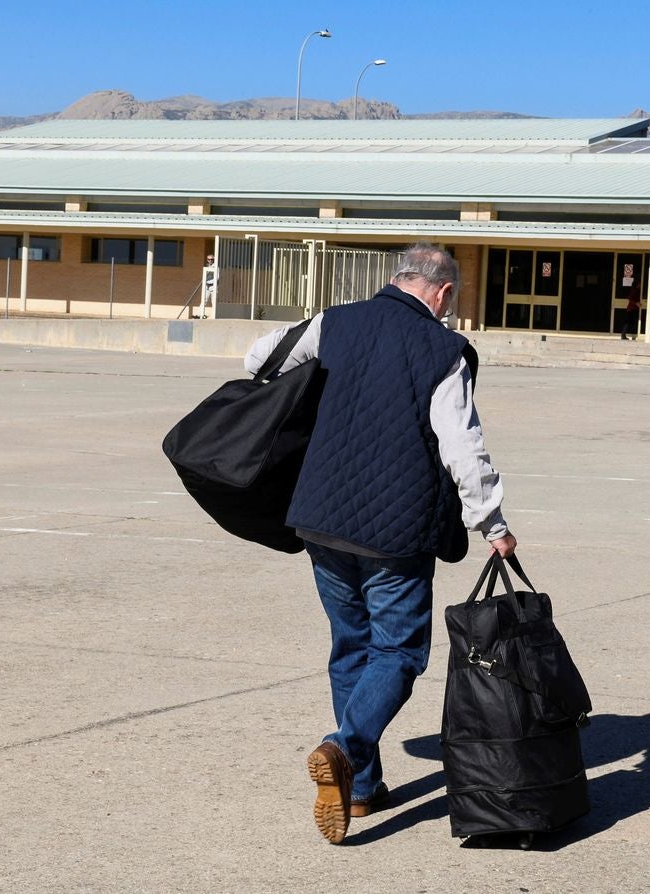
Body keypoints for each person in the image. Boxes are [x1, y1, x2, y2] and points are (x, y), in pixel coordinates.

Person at [243, 243, 516, 845]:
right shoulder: (444, 350)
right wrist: (492, 523)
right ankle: (344, 749)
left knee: (351, 647)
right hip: (396, 530)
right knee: (397, 652)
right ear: (442, 293)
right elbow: (462, 447)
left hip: (319, 515)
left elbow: (259, 356)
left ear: (397, 280)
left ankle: (361, 788)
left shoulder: (336, 319)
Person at [198, 252, 218, 318]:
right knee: (204, 300)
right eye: (209, 259)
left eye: (211, 259)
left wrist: (209, 281)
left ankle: (213, 316)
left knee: (213, 301)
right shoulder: (207, 266)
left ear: (213, 260)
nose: (210, 260)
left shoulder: (215, 266)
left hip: (213, 286)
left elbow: (217, 277)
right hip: (206, 286)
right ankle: (200, 314)